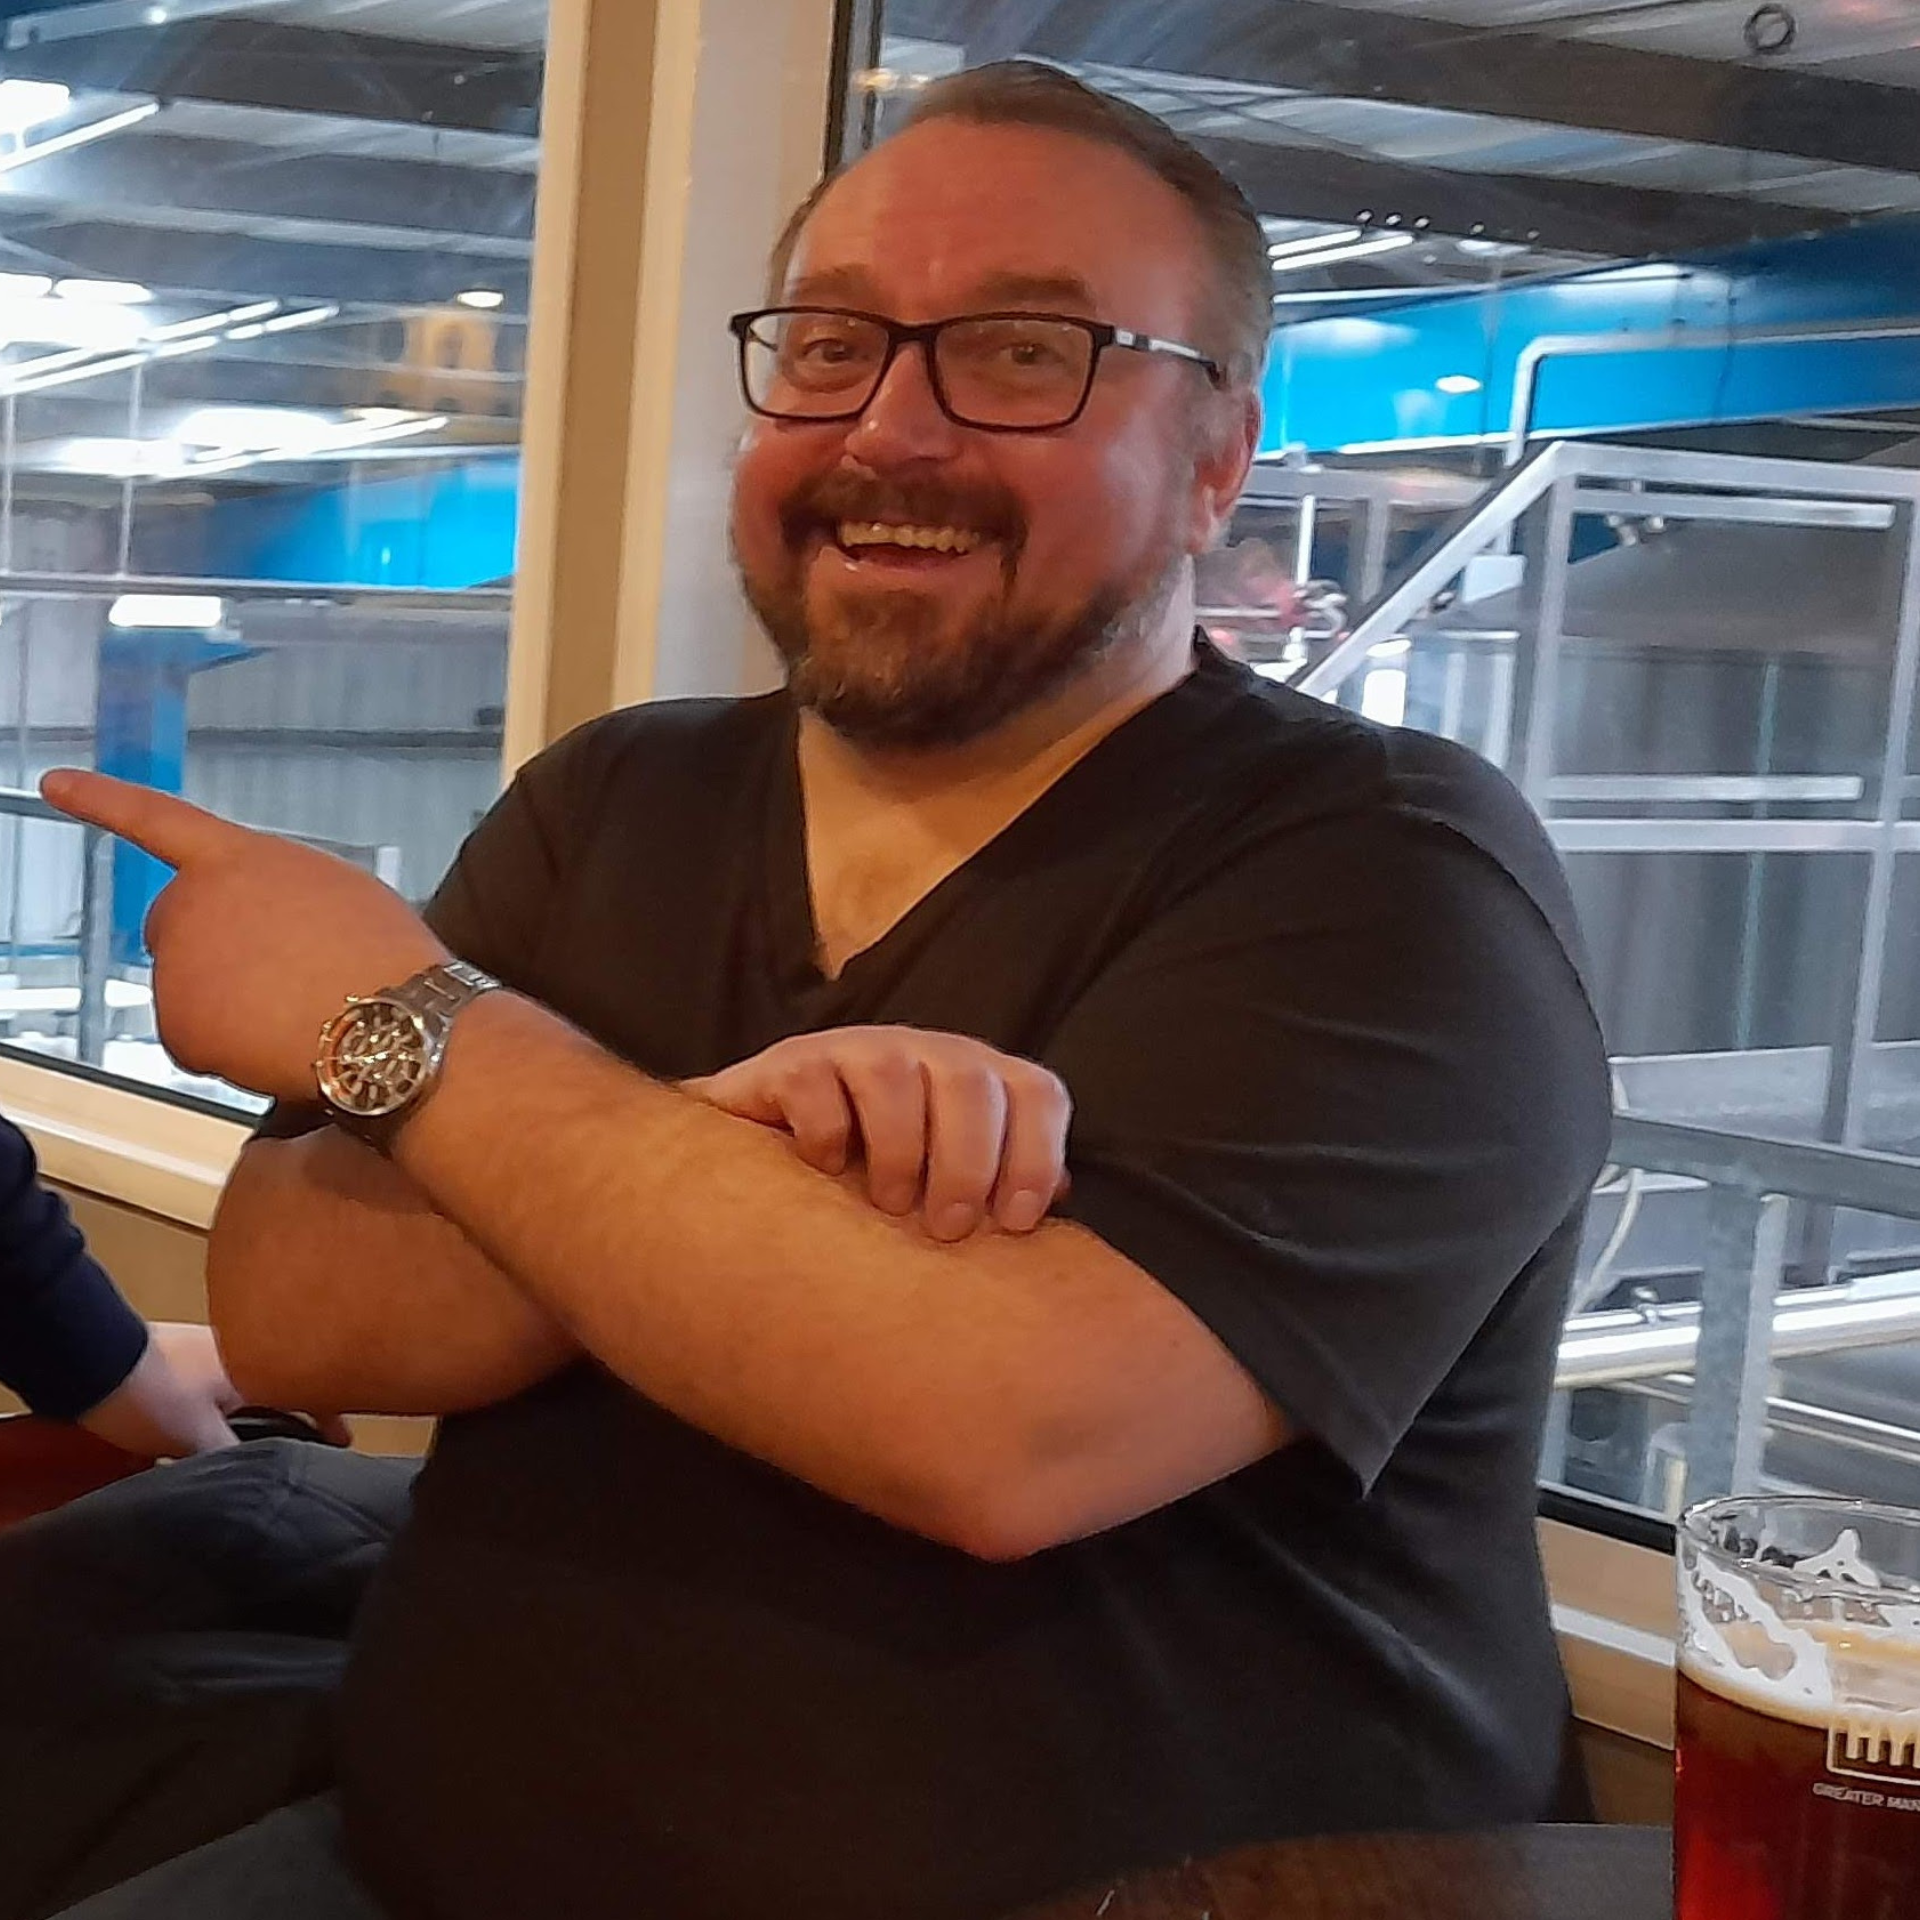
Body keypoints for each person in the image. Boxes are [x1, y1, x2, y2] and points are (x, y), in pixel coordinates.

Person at [38, 61, 1612, 1920]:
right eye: (830, 346)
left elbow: (1004, 1429)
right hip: (417, 1859)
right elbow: (301, 1312)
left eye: (1022, 354)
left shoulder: (1386, 873)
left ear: (1214, 464)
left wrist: (417, 1030)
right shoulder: (613, 798)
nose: (890, 429)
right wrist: (713, 1147)